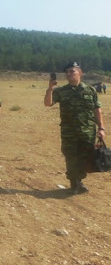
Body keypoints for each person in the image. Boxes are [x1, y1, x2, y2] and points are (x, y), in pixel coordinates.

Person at [44, 62, 105, 194]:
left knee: (85, 157)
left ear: (80, 73)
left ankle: (79, 180)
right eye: (67, 72)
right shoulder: (61, 91)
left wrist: (101, 128)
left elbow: (97, 109)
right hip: (69, 132)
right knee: (71, 157)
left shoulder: (90, 90)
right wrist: (50, 89)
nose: (69, 74)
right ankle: (74, 183)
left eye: (72, 71)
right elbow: (47, 103)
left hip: (88, 131)